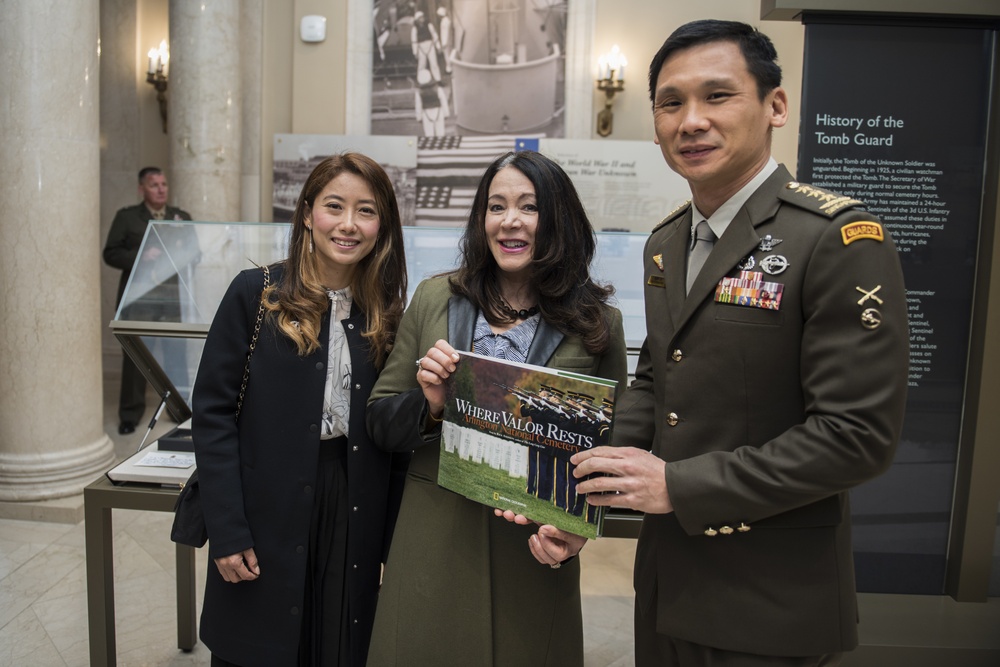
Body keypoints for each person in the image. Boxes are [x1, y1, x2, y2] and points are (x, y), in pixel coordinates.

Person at [569, 20, 909, 666]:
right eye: (671, 103)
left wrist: (678, 485)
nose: (690, 120)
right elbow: (656, 380)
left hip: (770, 597)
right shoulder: (667, 242)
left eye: (717, 96)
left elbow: (855, 435)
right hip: (669, 583)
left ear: (774, 105)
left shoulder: (836, 239)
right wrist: (579, 484)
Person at [365, 150, 628, 666]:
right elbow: (378, 419)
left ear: (558, 220)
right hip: (433, 542)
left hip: (531, 548)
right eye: (496, 206)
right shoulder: (435, 298)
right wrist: (432, 405)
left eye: (529, 207)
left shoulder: (598, 323)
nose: (510, 220)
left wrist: (578, 526)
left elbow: (611, 447)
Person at [192, 153, 410, 667]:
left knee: (336, 644)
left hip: (351, 497)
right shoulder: (257, 292)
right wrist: (227, 530)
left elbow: (393, 427)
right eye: (335, 206)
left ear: (382, 226)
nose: (349, 225)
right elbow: (213, 413)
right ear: (308, 213)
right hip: (264, 501)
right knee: (260, 643)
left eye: (367, 211)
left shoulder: (386, 310)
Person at [103, 166, 192, 435]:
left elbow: (195, 252)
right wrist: (141, 255)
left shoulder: (182, 217)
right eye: (154, 185)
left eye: (164, 184)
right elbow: (111, 253)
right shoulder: (127, 217)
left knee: (176, 355)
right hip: (138, 300)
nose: (161, 189)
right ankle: (130, 414)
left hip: (171, 300)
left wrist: (183, 255)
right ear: (142, 189)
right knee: (135, 360)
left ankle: (181, 410)